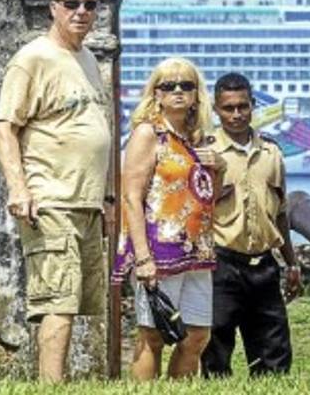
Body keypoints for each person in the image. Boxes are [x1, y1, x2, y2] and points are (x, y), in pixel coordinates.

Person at [0, 0, 112, 383]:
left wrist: (106, 198)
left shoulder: (87, 59)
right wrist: (18, 188)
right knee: (56, 301)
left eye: (90, 4)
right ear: (53, 8)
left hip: (86, 201)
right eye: (72, 4)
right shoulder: (32, 59)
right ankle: (50, 386)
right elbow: (6, 127)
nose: (81, 11)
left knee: (77, 301)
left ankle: (57, 381)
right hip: (52, 198)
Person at [115, 57, 225, 380]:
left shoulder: (198, 138)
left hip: (197, 250)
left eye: (186, 85)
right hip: (159, 248)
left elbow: (209, 197)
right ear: (156, 94)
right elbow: (131, 196)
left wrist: (219, 167)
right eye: (169, 86)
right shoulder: (149, 133)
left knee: (196, 335)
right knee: (154, 335)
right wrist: (143, 257)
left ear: (196, 94)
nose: (178, 91)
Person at [202, 72, 301, 377]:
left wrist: (291, 263)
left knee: (275, 351)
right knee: (216, 349)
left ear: (253, 105)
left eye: (243, 107)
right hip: (222, 262)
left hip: (264, 265)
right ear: (216, 110)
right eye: (228, 108)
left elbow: (280, 213)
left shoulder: (271, 153)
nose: (236, 115)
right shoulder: (206, 154)